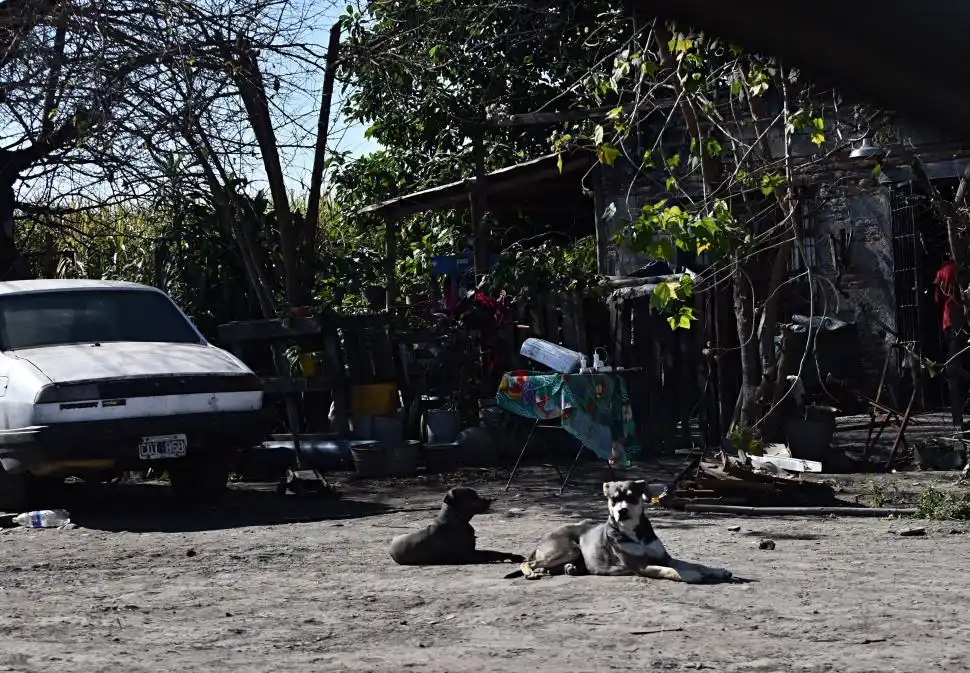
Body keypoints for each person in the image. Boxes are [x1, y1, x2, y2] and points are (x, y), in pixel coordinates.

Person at [934, 257, 967, 428]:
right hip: (963, 321)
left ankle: (957, 418)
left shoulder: (943, 272)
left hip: (951, 322)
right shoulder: (963, 269)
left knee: (953, 371)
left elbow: (937, 299)